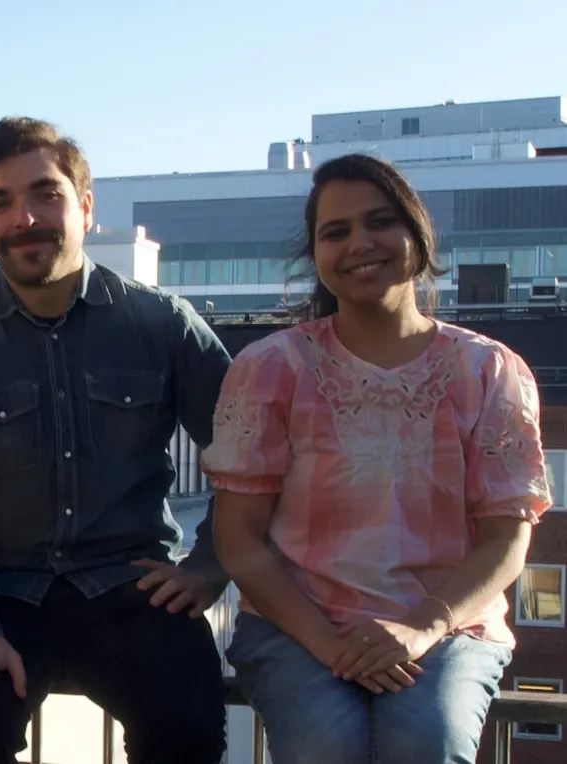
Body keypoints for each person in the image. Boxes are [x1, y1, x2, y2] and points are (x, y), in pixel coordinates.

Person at [206, 153, 552, 764]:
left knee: (427, 742)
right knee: (323, 746)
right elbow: (239, 541)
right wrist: (333, 646)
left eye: (380, 222)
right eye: (334, 232)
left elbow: (506, 540)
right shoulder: (269, 369)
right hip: (295, 624)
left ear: (416, 237)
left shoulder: (489, 371)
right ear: (315, 255)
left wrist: (420, 628)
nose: (359, 243)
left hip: (450, 625)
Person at [0, 116, 231, 764]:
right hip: (1, 591)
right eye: (0, 203)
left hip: (131, 585)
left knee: (190, 728)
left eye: (44, 195)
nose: (24, 218)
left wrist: (210, 563)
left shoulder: (163, 325)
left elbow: (251, 455)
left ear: (84, 206)